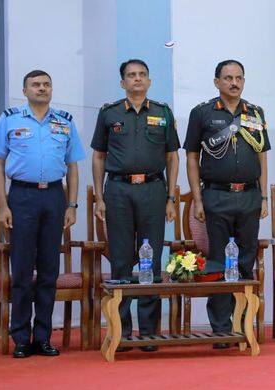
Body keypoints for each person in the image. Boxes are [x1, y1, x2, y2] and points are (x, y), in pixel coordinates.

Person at [0, 70, 85, 358]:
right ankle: (21, 338)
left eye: (46, 84)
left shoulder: (64, 122)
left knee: (49, 270)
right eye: (35, 85)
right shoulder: (10, 118)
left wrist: (72, 205)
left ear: (52, 89)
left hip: (54, 196)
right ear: (25, 90)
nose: (41, 89)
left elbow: (73, 166)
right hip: (22, 197)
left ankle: (42, 337)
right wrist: (4, 205)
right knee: (22, 270)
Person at [91, 59, 180, 352]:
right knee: (120, 259)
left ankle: (148, 333)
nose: (137, 79)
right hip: (118, 190)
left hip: (154, 190)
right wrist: (100, 198)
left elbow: (172, 157)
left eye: (142, 74)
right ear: (122, 82)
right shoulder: (109, 113)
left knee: (150, 261)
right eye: (131, 75)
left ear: (149, 81)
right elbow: (99, 156)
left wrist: (170, 197)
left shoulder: (163, 112)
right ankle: (123, 331)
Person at [184, 60, 270, 349]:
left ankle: (243, 325)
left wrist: (263, 196)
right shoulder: (202, 113)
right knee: (219, 262)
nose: (234, 82)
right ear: (216, 81)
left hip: (248, 196)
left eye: (239, 78)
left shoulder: (254, 112)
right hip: (216, 195)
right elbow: (192, 157)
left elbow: (262, 156)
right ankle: (221, 330)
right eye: (228, 78)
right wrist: (197, 198)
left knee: (246, 261)